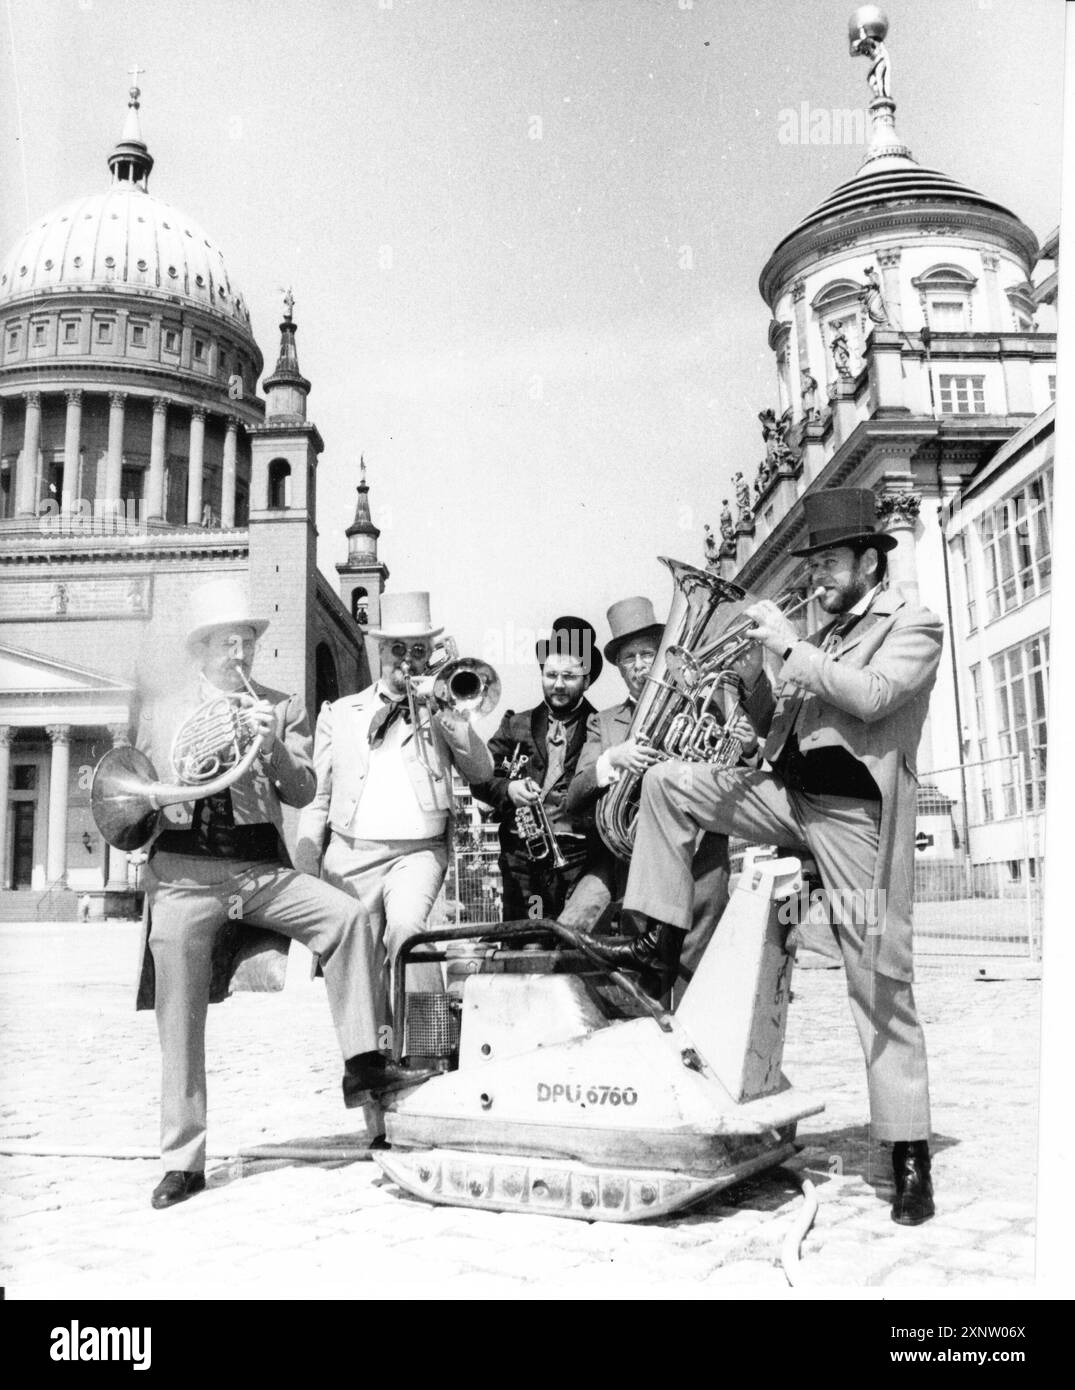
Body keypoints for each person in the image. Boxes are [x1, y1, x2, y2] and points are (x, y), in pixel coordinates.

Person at [620, 489, 942, 1226]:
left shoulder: (912, 623)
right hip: (787, 797)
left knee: (877, 977)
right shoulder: (818, 632)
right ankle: (656, 942)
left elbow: (871, 696)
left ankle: (908, 1151)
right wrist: (739, 685)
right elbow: (775, 721)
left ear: (869, 560)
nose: (819, 577)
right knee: (669, 783)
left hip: (855, 818)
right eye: (816, 564)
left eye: (830, 562)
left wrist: (786, 647)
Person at [135, 578, 408, 1211]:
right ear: (201, 650)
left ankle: (364, 1068)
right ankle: (183, 1160)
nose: (239, 654)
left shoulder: (281, 707)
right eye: (227, 643)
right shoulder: (166, 706)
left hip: (258, 871)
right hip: (182, 874)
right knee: (178, 1014)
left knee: (345, 917)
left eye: (247, 643)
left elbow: (304, 788)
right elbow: (139, 794)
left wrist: (271, 747)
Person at [294, 592, 494, 1048]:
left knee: (409, 932)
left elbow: (482, 772)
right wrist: (307, 865)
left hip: (418, 853)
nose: (408, 661)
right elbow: (317, 797)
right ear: (380, 652)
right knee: (356, 961)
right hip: (350, 854)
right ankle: (371, 1065)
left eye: (419, 650)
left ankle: (429, 1048)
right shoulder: (340, 714)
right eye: (398, 650)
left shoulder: (442, 712)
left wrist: (449, 718)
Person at [564, 595, 772, 998]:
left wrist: (747, 749)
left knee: (698, 966)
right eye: (630, 658)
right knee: (645, 973)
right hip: (635, 859)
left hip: (702, 857)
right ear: (620, 669)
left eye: (648, 654)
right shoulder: (602, 722)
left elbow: (736, 781)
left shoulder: (703, 709)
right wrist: (613, 759)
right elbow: (573, 797)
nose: (642, 666)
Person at [471, 617, 603, 922]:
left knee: (575, 945)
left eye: (569, 676)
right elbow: (481, 775)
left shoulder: (603, 726)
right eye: (550, 674)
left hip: (581, 860)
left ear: (587, 680)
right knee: (529, 941)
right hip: (523, 861)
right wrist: (509, 789)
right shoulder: (514, 724)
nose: (558, 684)